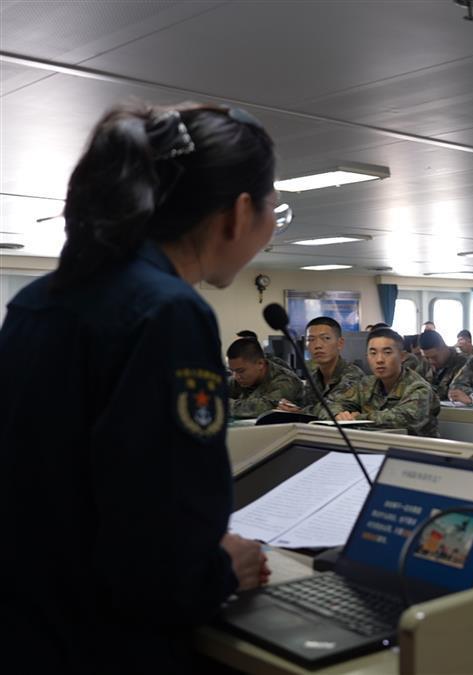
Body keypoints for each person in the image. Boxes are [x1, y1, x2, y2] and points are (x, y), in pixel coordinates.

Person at [0, 103, 277, 670]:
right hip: (106, 643)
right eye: (275, 210)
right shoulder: (168, 311)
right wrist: (224, 569)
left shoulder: (38, 300)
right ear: (239, 212)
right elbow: (161, 559)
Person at [329, 328, 439, 436]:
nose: (379, 360)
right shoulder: (366, 384)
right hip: (374, 447)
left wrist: (358, 418)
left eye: (387, 352)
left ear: (402, 357)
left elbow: (402, 420)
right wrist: (339, 414)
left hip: (416, 450)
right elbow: (332, 404)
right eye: (373, 353)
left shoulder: (419, 388)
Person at [276, 317, 365, 415]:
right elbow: (306, 405)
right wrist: (289, 406)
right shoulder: (314, 377)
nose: (318, 345)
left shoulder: (353, 376)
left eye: (325, 338)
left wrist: (300, 412)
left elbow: (333, 410)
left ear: (340, 343)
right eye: (311, 339)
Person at [226, 337, 303, 419]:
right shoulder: (239, 378)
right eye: (232, 371)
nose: (236, 376)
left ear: (260, 364)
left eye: (241, 371)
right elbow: (216, 394)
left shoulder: (286, 381)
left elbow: (266, 408)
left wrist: (223, 404)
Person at [418, 330, 469, 401]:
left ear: (444, 348)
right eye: (426, 357)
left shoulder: (462, 363)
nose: (431, 361)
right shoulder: (425, 364)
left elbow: (452, 393)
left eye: (434, 357)